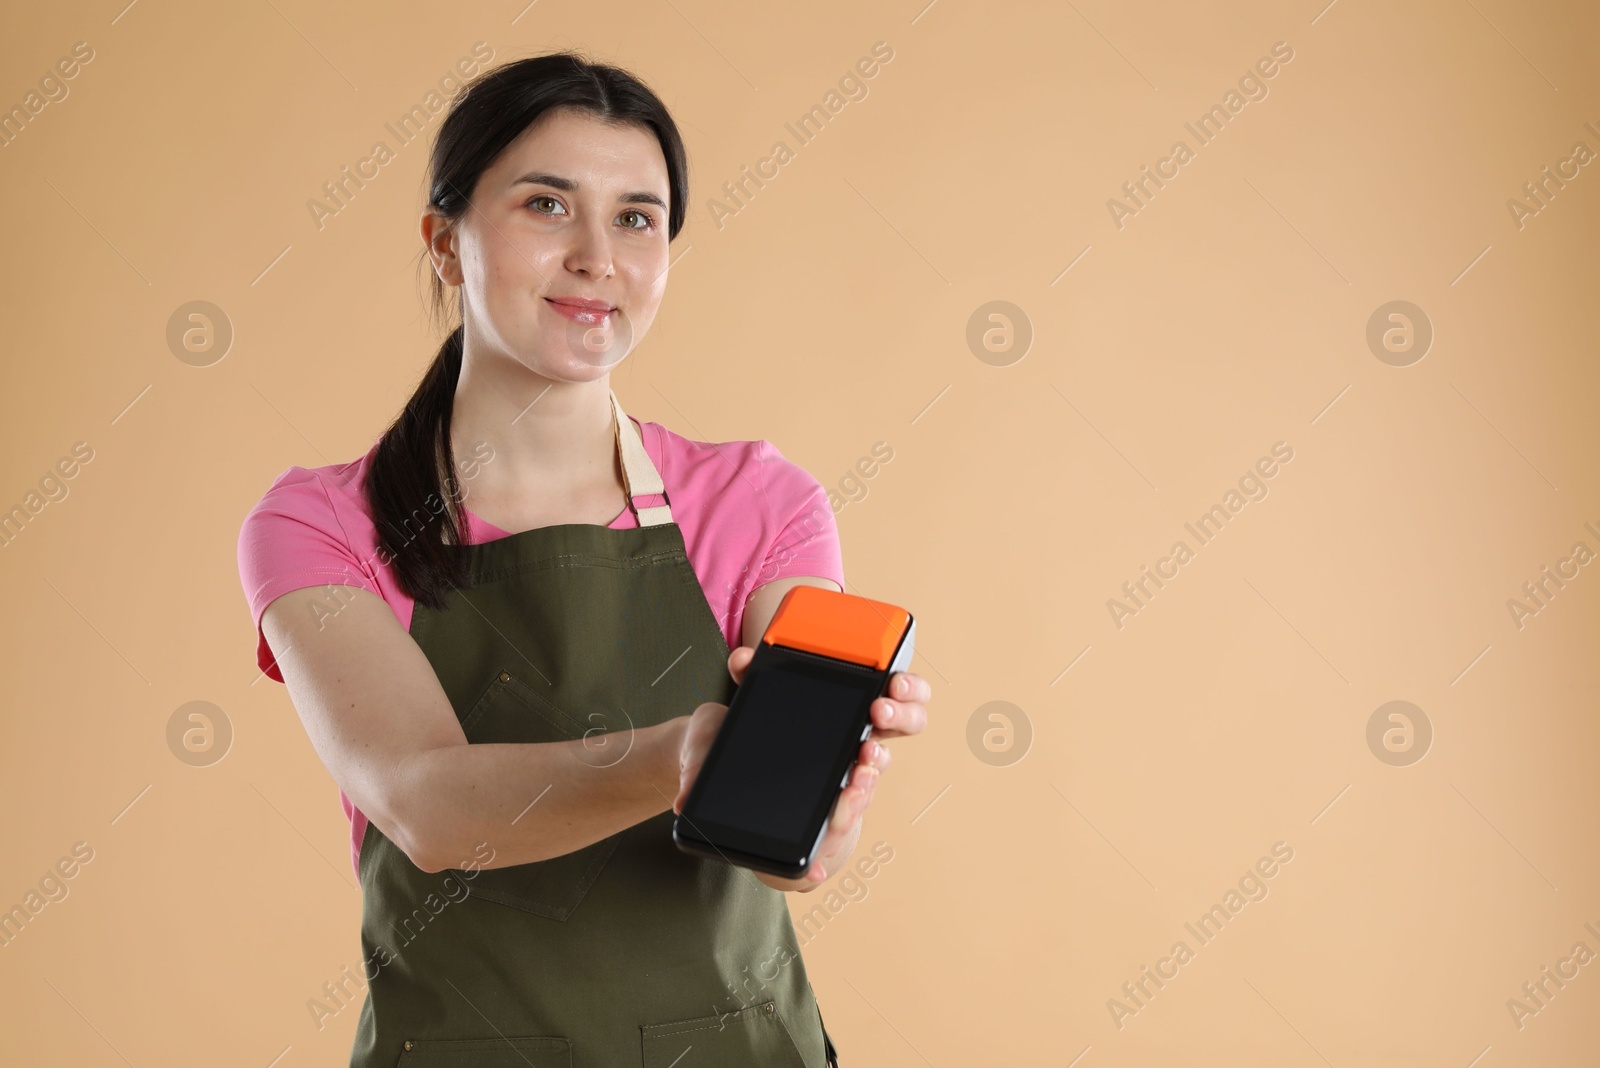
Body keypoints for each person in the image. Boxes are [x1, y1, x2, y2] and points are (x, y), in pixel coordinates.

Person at [235, 51, 931, 1068]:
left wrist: (828, 792)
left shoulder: (757, 501)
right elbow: (426, 803)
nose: (597, 256)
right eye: (548, 206)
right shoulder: (320, 522)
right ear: (443, 242)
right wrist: (677, 758)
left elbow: (795, 859)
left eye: (637, 218)